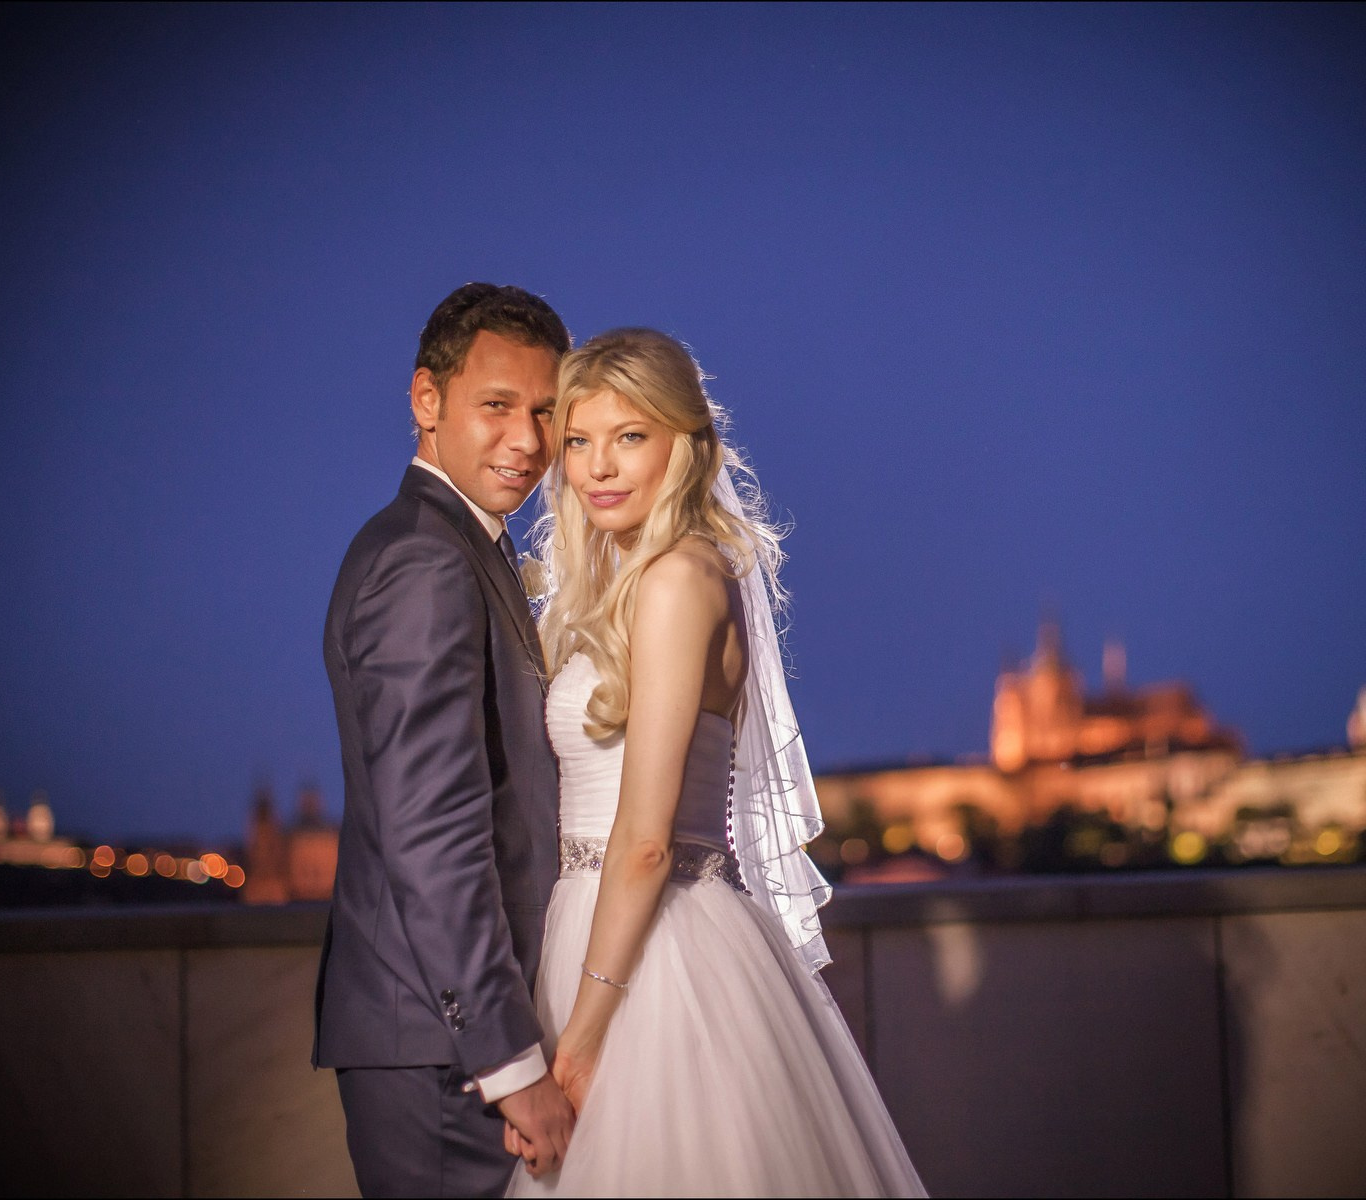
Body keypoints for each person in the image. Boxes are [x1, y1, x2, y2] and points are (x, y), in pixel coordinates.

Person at [506, 328, 925, 1196]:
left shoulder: (673, 581)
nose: (598, 467)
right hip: (611, 933)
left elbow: (647, 839)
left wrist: (579, 1047)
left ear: (685, 445)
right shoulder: (669, 573)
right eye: (579, 441)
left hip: (647, 959)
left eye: (630, 437)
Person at [314, 283, 579, 1196]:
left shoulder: (462, 545)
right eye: (497, 407)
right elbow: (433, 834)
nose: (529, 443)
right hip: (447, 1053)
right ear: (426, 401)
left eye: (547, 412)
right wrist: (510, 1064)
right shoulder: (426, 560)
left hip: (451, 1038)